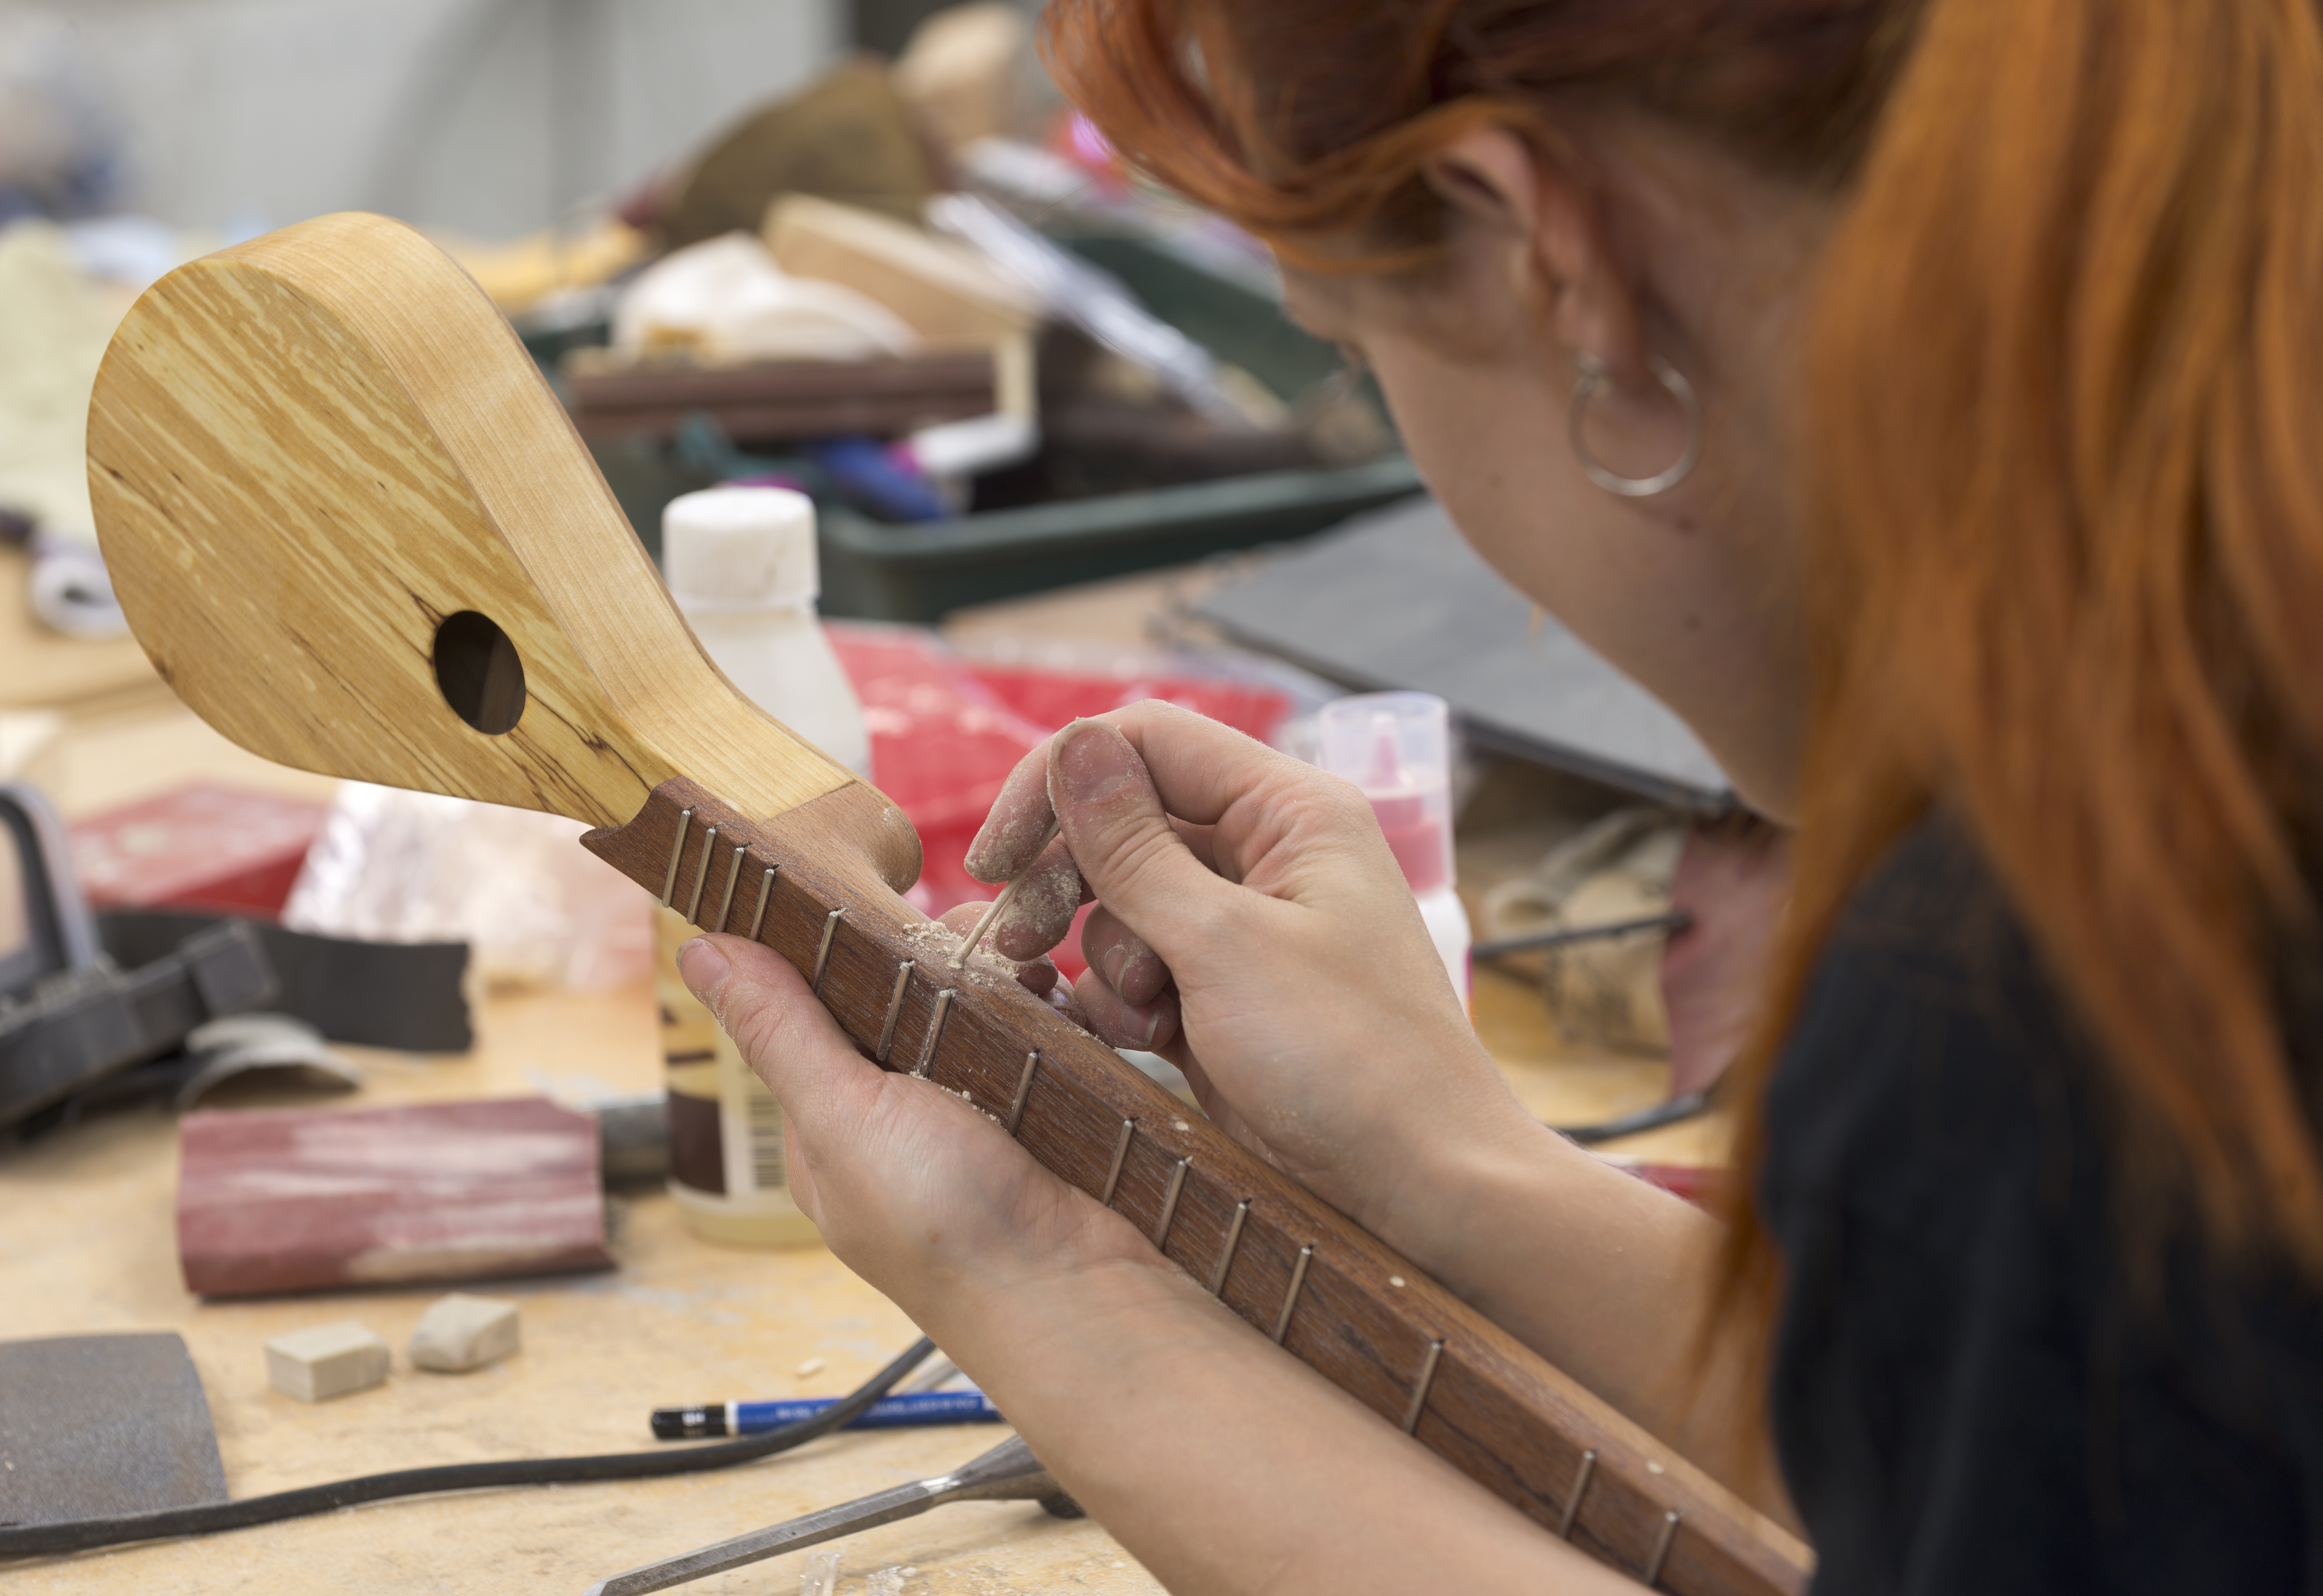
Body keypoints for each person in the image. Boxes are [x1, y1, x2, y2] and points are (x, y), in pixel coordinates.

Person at [671, 0, 2323, 1589]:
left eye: (1351, 341)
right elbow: (2094, 1444)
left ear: (1557, 269)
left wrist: (1051, 1291)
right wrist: (1444, 1156)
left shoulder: (2044, 980)